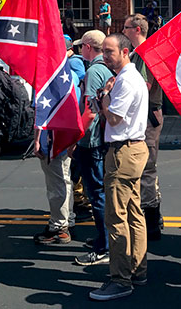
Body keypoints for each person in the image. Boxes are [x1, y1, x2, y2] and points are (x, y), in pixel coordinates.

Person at [88, 33, 149, 301]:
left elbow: (113, 117)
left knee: (116, 216)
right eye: (102, 51)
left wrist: (104, 97)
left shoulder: (125, 81)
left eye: (109, 51)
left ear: (125, 52)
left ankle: (120, 279)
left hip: (124, 151)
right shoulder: (130, 77)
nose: (104, 55)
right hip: (133, 148)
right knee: (134, 210)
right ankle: (137, 268)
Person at [32, 35, 83, 246]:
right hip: (59, 138)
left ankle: (59, 227)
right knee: (63, 181)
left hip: (53, 139)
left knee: (57, 184)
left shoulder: (57, 82)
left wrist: (37, 140)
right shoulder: (70, 81)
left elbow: (41, 112)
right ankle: (66, 219)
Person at [72, 30, 114, 266]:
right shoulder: (108, 68)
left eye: (81, 47)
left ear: (88, 47)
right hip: (103, 138)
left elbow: (89, 110)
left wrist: (76, 139)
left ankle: (105, 246)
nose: (80, 50)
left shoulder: (93, 71)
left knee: (96, 193)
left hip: (92, 141)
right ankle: (103, 238)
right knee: (101, 191)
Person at [123, 13, 165, 241]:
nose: (124, 30)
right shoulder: (138, 53)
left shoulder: (145, 53)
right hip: (145, 114)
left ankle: (151, 222)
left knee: (147, 168)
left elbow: (144, 86)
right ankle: (151, 217)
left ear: (137, 29)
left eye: (127, 27)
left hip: (148, 115)